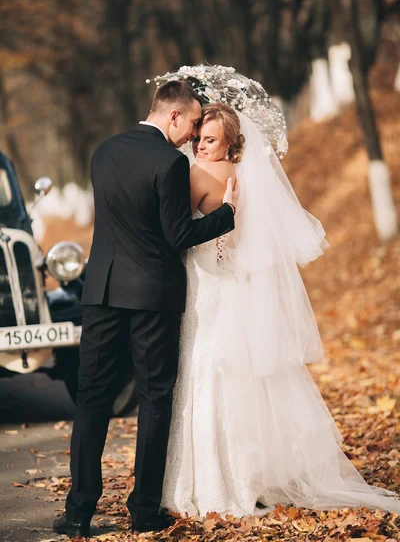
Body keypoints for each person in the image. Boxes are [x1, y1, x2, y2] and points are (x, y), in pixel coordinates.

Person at [161, 100, 400, 517]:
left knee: (204, 374)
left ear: (231, 144)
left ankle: (211, 482)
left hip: (208, 288)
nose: (199, 145)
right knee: (232, 380)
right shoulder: (241, 175)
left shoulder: (199, 174)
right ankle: (245, 473)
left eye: (210, 139)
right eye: (198, 138)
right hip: (231, 284)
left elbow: (173, 229)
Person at [53, 81, 238, 538]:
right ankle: (144, 512)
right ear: (172, 116)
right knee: (155, 400)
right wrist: (226, 212)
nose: (193, 135)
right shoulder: (170, 162)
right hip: (153, 297)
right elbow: (178, 235)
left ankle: (78, 514)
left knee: (92, 399)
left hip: (101, 292)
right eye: (193, 123)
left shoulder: (104, 151)